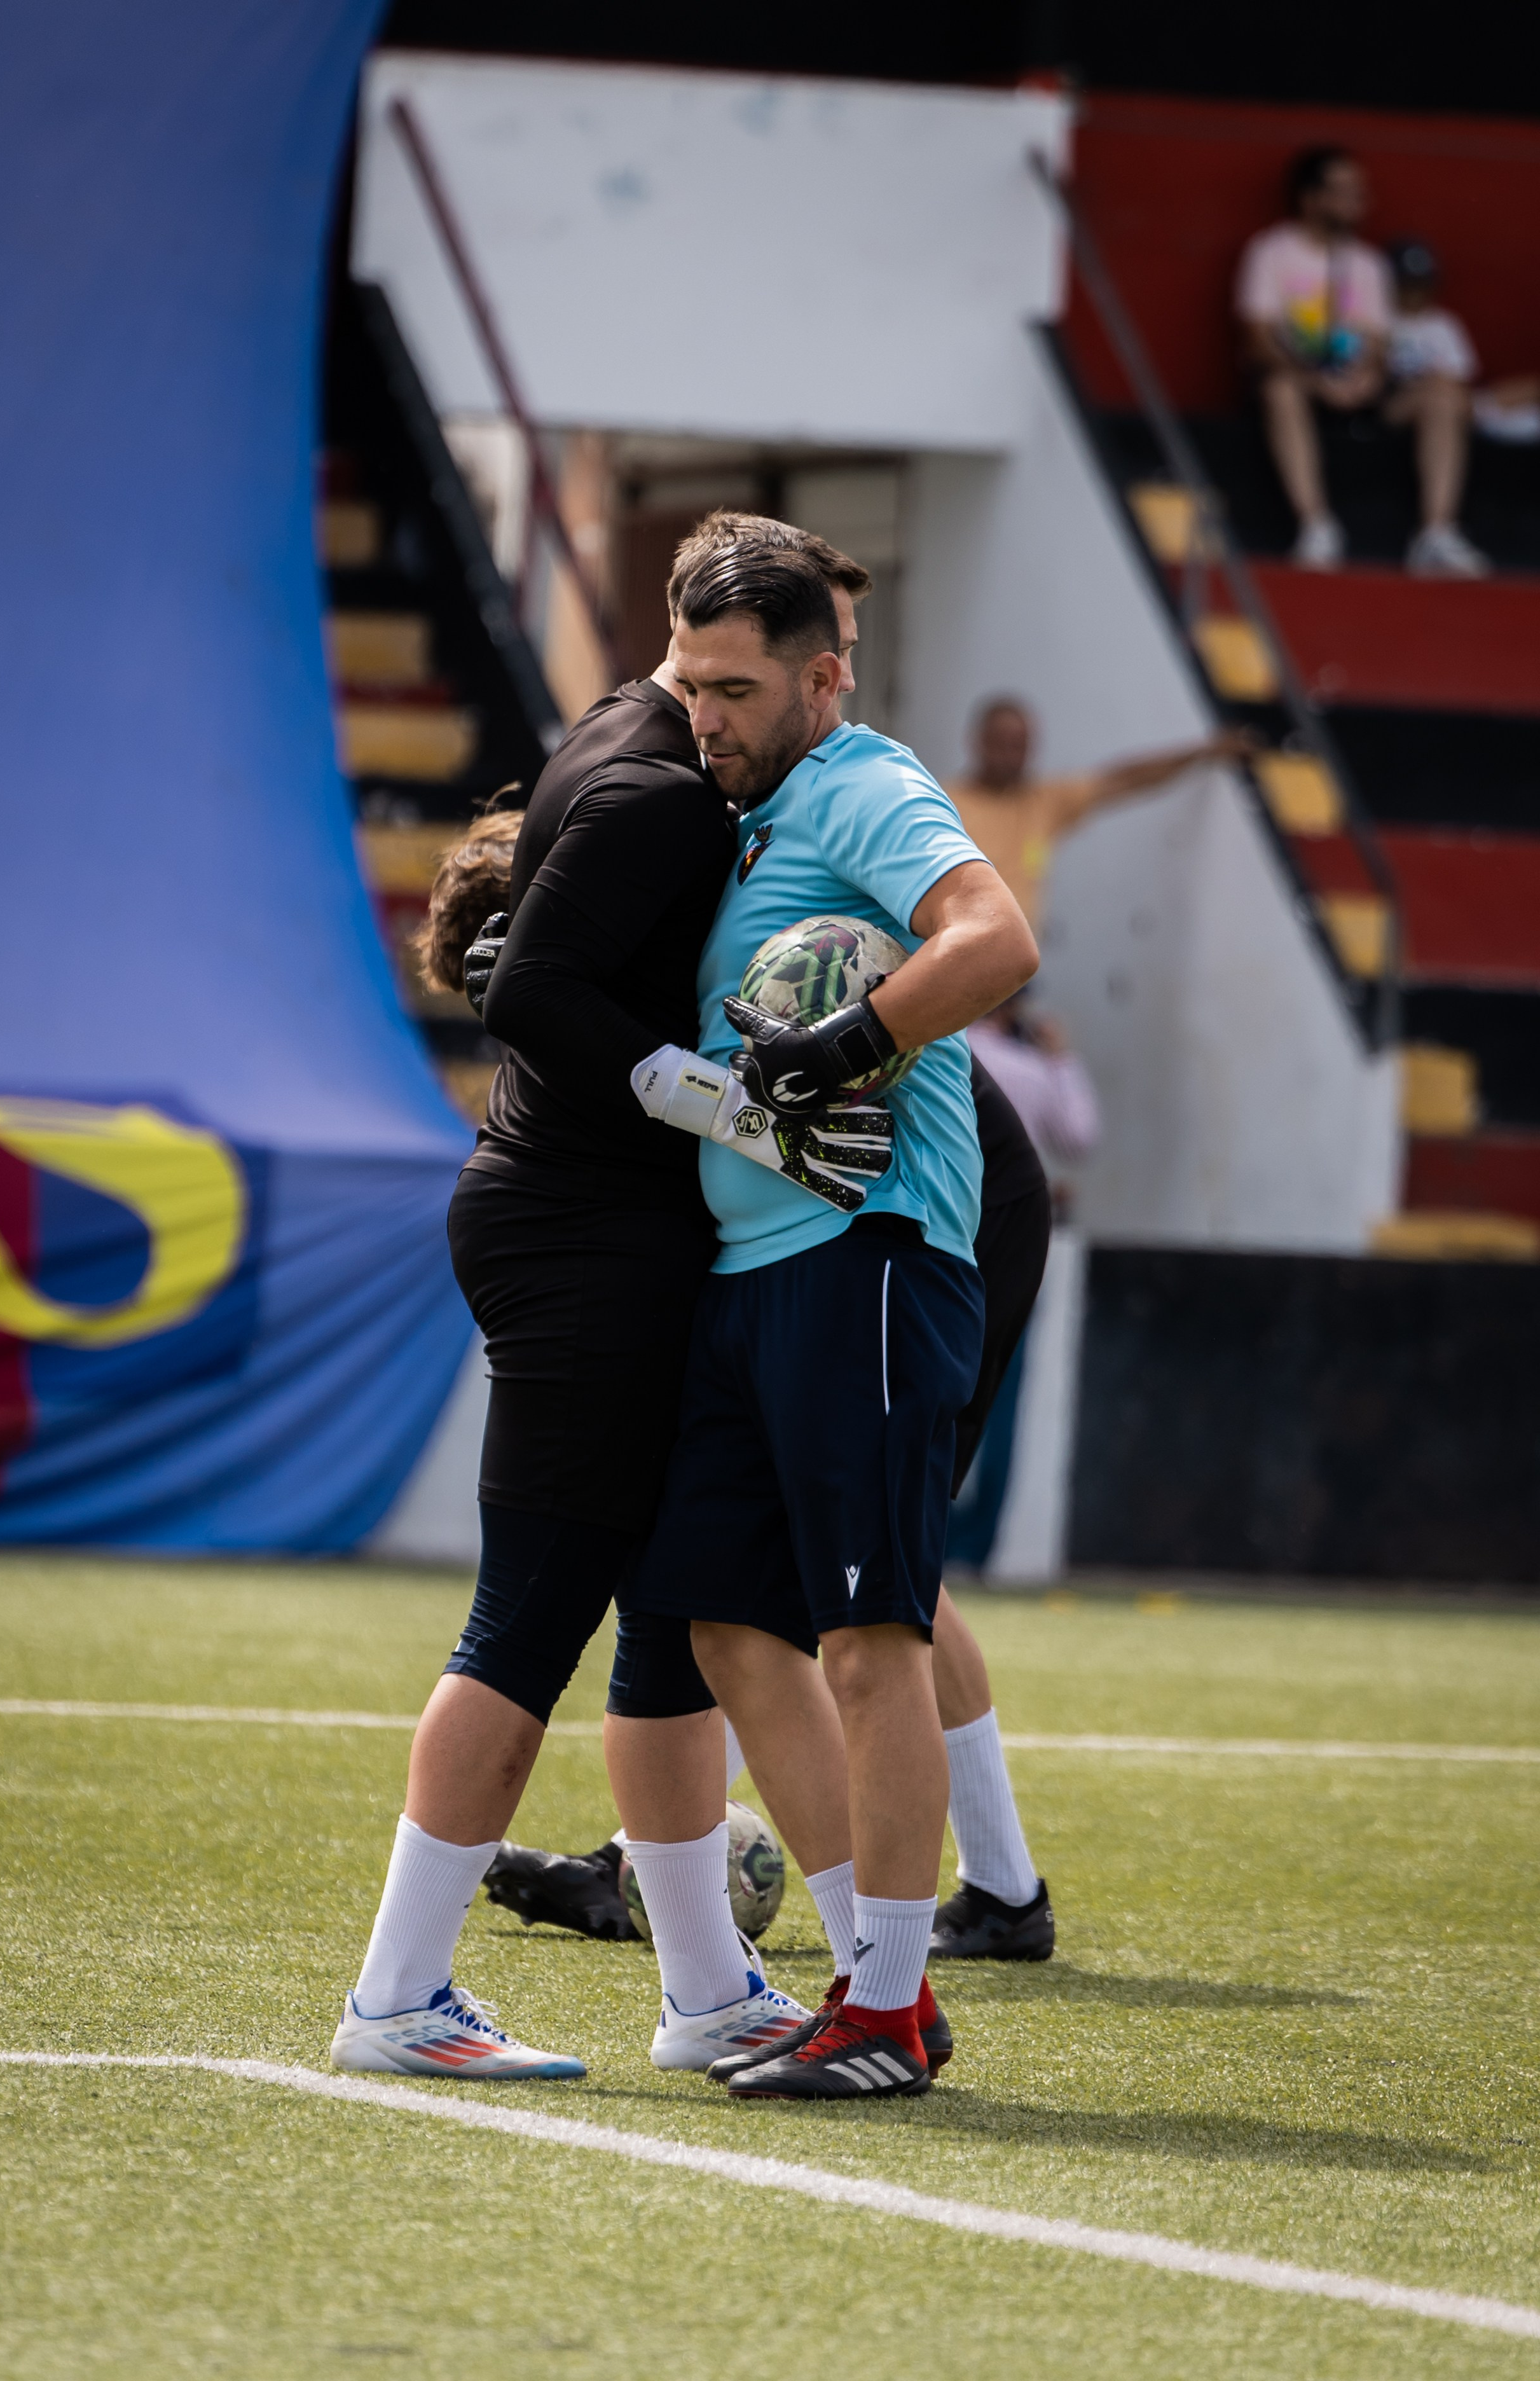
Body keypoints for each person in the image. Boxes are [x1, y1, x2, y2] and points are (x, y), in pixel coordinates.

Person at [622, 544, 1039, 2099]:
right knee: (730, 1622)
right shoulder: (723, 807)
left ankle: (883, 2002)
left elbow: (994, 938)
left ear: (823, 676)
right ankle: (878, 1978)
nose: (707, 712)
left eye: (737, 687)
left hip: (867, 1256)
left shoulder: (862, 779)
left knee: (872, 1637)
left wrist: (852, 1037)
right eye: (689, 680)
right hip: (748, 1279)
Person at [1235, 146, 1488, 576]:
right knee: (1278, 388)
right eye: (1342, 191)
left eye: (1359, 191)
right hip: (1300, 388)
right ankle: (1316, 526)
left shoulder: (1369, 265)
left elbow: (1376, 340)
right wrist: (1315, 381)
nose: (1355, 200)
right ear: (1309, 198)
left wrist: (1366, 375)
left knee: (1445, 392)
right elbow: (1258, 339)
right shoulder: (1271, 252)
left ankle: (1437, 534)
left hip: (1362, 390)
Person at [944, 996, 1101, 1577]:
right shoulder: (1032, 1070)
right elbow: (1081, 1136)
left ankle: (918, 1530)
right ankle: (975, 1545)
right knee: (1000, 1397)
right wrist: (1060, 1059)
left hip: (942, 1235)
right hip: (1013, 1243)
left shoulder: (944, 1049)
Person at [945, 696, 1242, 933]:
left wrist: (1205, 752)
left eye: (1022, 747)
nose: (1014, 757)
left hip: (1014, 979)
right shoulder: (945, 805)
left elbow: (1125, 780)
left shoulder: (1043, 801)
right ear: (978, 741)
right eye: (1004, 745)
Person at [1387, 237, 1540, 448]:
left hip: (1459, 403)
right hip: (1401, 403)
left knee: (1531, 388)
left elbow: (1461, 380)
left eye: (1421, 285)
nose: (1415, 294)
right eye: (1408, 286)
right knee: (1441, 395)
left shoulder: (1443, 323)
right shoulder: (1380, 319)